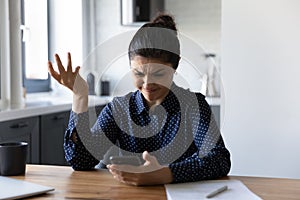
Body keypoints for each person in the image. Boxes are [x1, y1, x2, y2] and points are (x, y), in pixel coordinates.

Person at [48, 14, 231, 186]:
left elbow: (218, 160)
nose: (147, 83)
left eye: (158, 73)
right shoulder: (119, 108)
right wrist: (80, 96)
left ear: (175, 67)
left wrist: (162, 174)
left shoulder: (193, 105)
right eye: (138, 73)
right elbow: (80, 161)